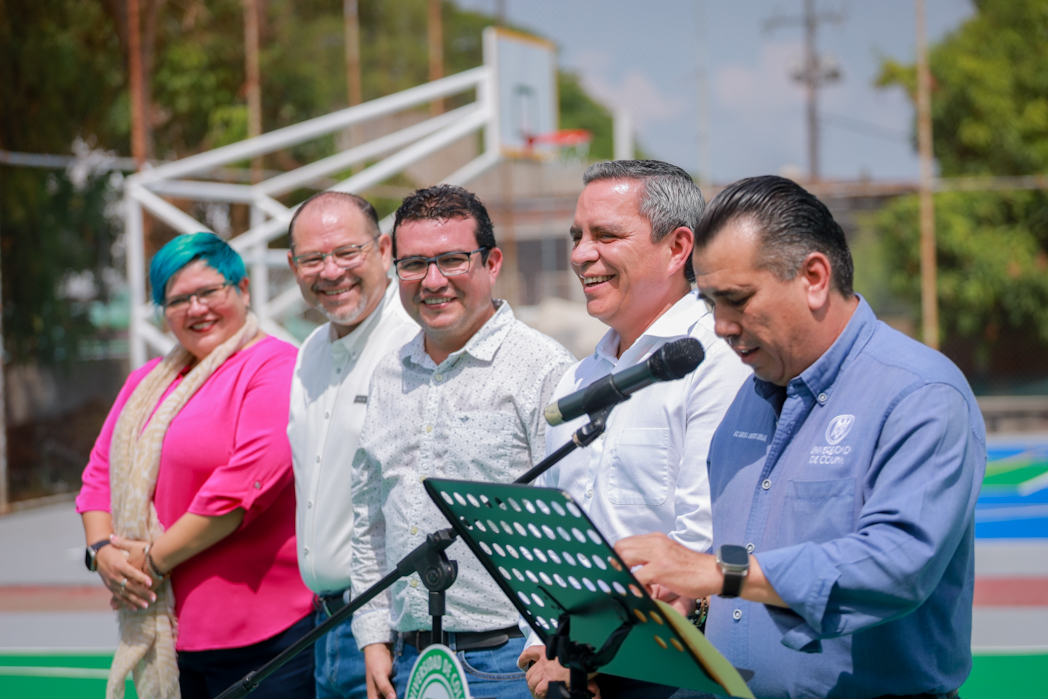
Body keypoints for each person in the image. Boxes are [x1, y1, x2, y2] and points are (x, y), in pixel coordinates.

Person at [615, 175, 986, 699]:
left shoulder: (919, 393)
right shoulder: (750, 395)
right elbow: (744, 560)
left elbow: (897, 563)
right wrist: (692, 596)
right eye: (710, 303)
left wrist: (718, 573)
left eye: (736, 299)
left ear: (813, 277)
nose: (721, 326)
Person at [516, 160, 751, 699]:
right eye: (577, 236)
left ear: (678, 247)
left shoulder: (716, 359)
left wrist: (593, 653)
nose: (581, 254)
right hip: (576, 668)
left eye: (606, 235)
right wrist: (544, 642)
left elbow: (700, 540)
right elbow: (558, 536)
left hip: (668, 670)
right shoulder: (579, 377)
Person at [350, 185, 576, 699]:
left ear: (492, 263)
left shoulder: (543, 369)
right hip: (408, 661)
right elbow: (370, 516)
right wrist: (374, 636)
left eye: (452, 260)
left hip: (511, 663)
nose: (433, 281)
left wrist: (555, 642)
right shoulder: (389, 374)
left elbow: (573, 514)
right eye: (413, 265)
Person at [77, 233, 315, 699]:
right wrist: (102, 552)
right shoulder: (146, 382)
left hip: (267, 637)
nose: (196, 309)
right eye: (178, 300)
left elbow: (243, 487)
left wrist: (149, 562)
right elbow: (98, 475)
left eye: (209, 292)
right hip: (170, 632)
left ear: (242, 289)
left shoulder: (276, 366)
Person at [286, 191, 418, 699]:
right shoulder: (310, 352)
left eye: (347, 252)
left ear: (383, 251)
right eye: (313, 258)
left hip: (391, 629)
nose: (331, 271)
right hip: (323, 623)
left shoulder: (413, 344)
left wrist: (377, 629)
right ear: (293, 267)